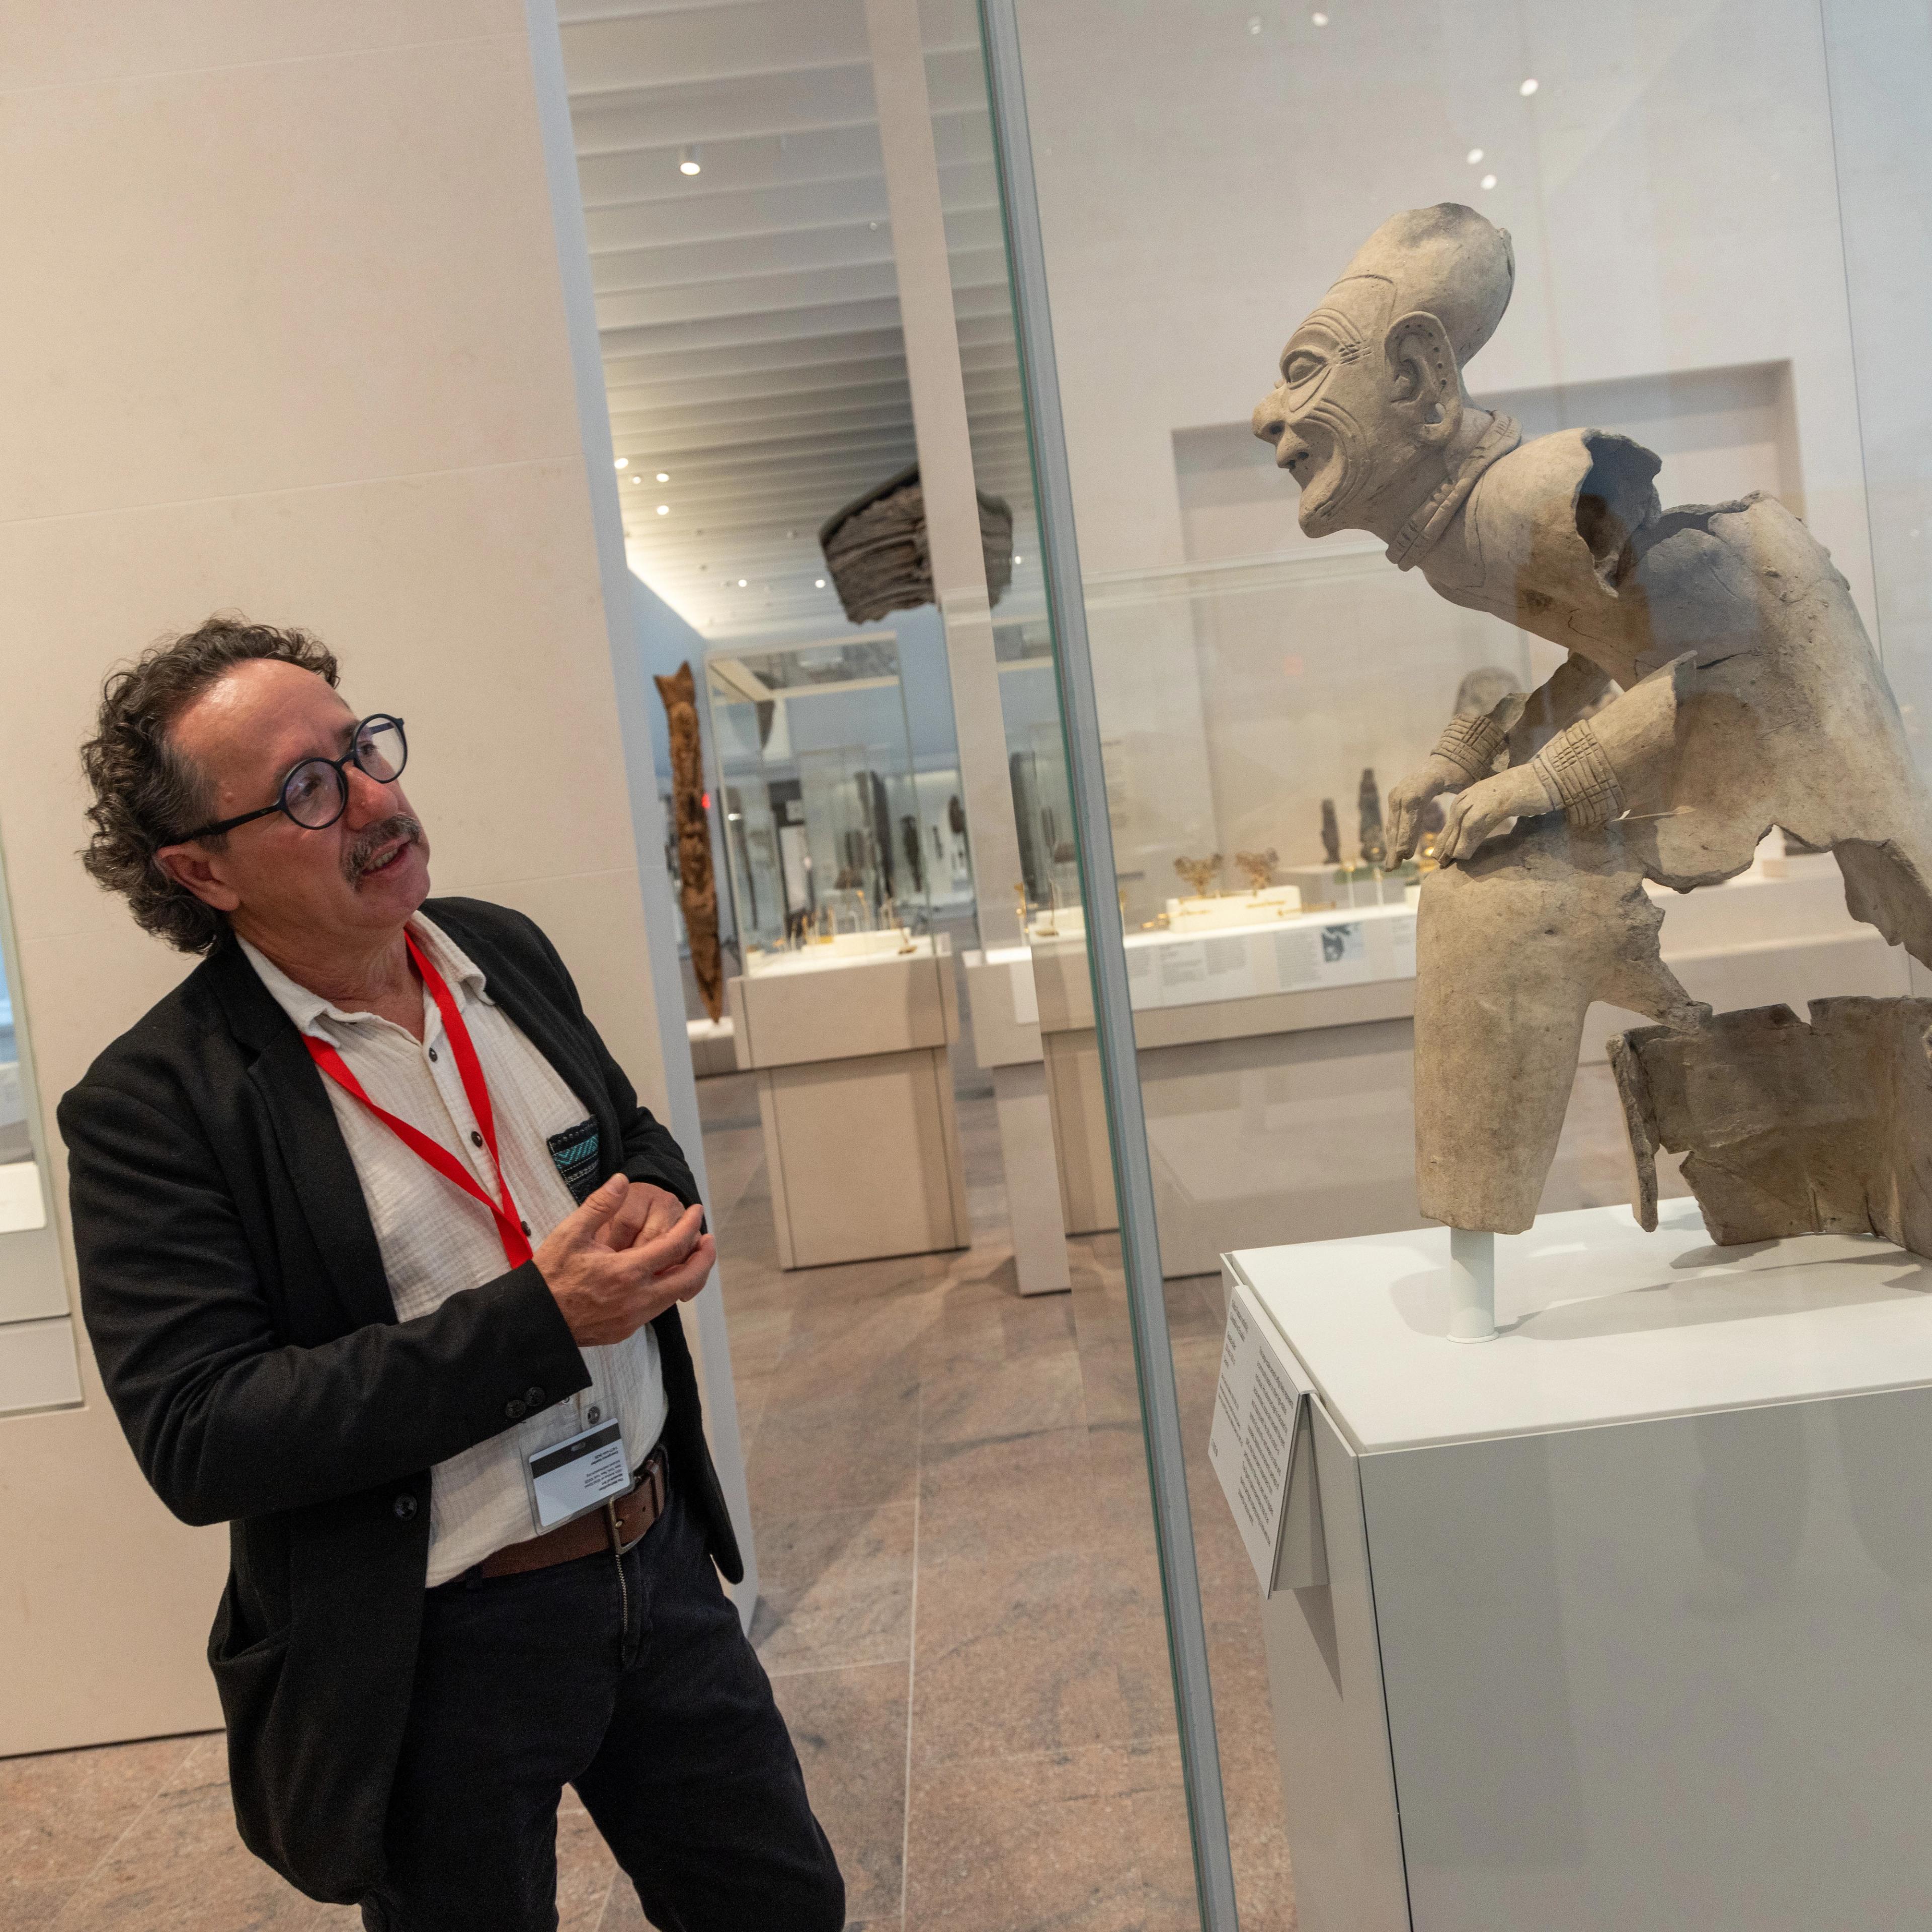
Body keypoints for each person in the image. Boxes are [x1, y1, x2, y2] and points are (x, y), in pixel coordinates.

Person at [59, 616, 845, 1932]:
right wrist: (542, 1320)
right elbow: (204, 1433)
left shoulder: (499, 950)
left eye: (361, 744)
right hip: (439, 1649)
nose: (376, 799)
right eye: (311, 790)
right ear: (200, 872)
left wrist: (659, 1197)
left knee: (783, 1909)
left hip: (653, 1565)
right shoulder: (159, 1107)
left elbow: (621, 1127)